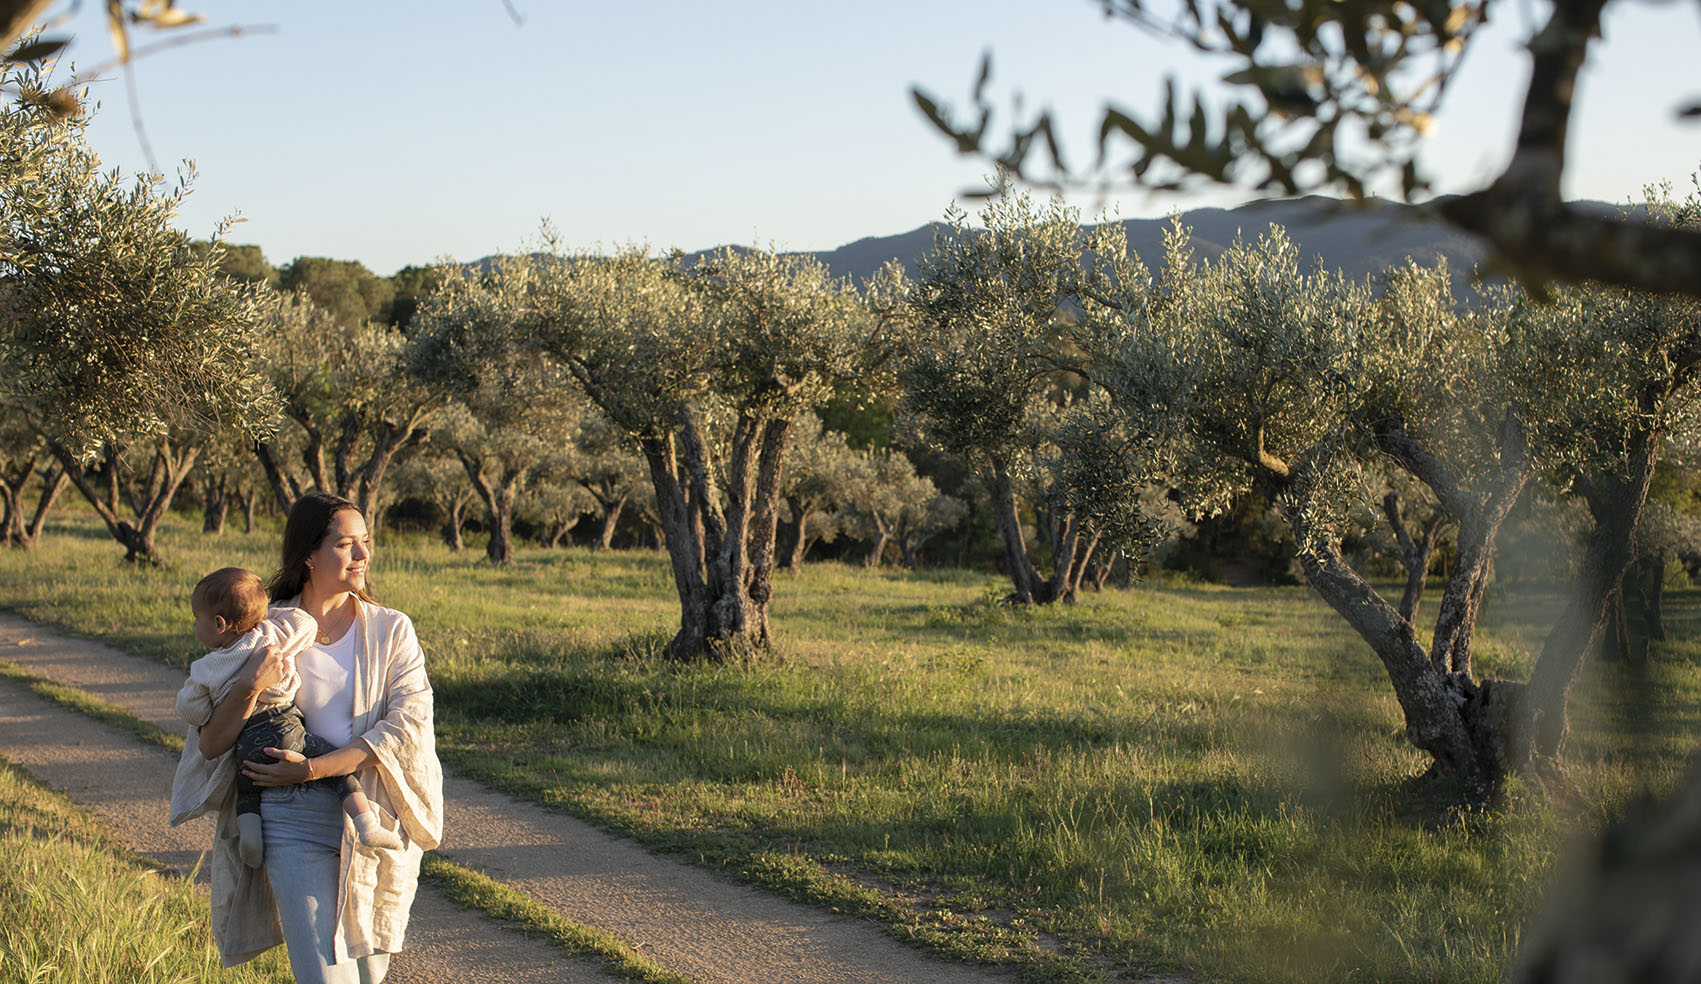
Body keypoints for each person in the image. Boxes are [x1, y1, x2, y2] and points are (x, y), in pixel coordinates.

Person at [193, 491, 444, 983]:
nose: (362, 554)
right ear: (309, 554)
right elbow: (209, 743)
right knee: (326, 977)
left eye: (364, 541)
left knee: (367, 975)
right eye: (345, 544)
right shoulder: (263, 629)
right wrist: (248, 685)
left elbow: (407, 725)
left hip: (372, 811)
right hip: (291, 815)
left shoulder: (392, 630)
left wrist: (313, 768)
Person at [169, 566, 402, 865]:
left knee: (248, 789)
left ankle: (251, 842)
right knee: (339, 773)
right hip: (287, 726)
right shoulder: (270, 635)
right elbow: (306, 624)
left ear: (219, 624)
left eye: (196, 618)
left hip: (249, 741)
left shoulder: (206, 667)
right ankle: (366, 823)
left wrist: (214, 704)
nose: (194, 625)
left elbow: (191, 709)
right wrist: (263, 616)